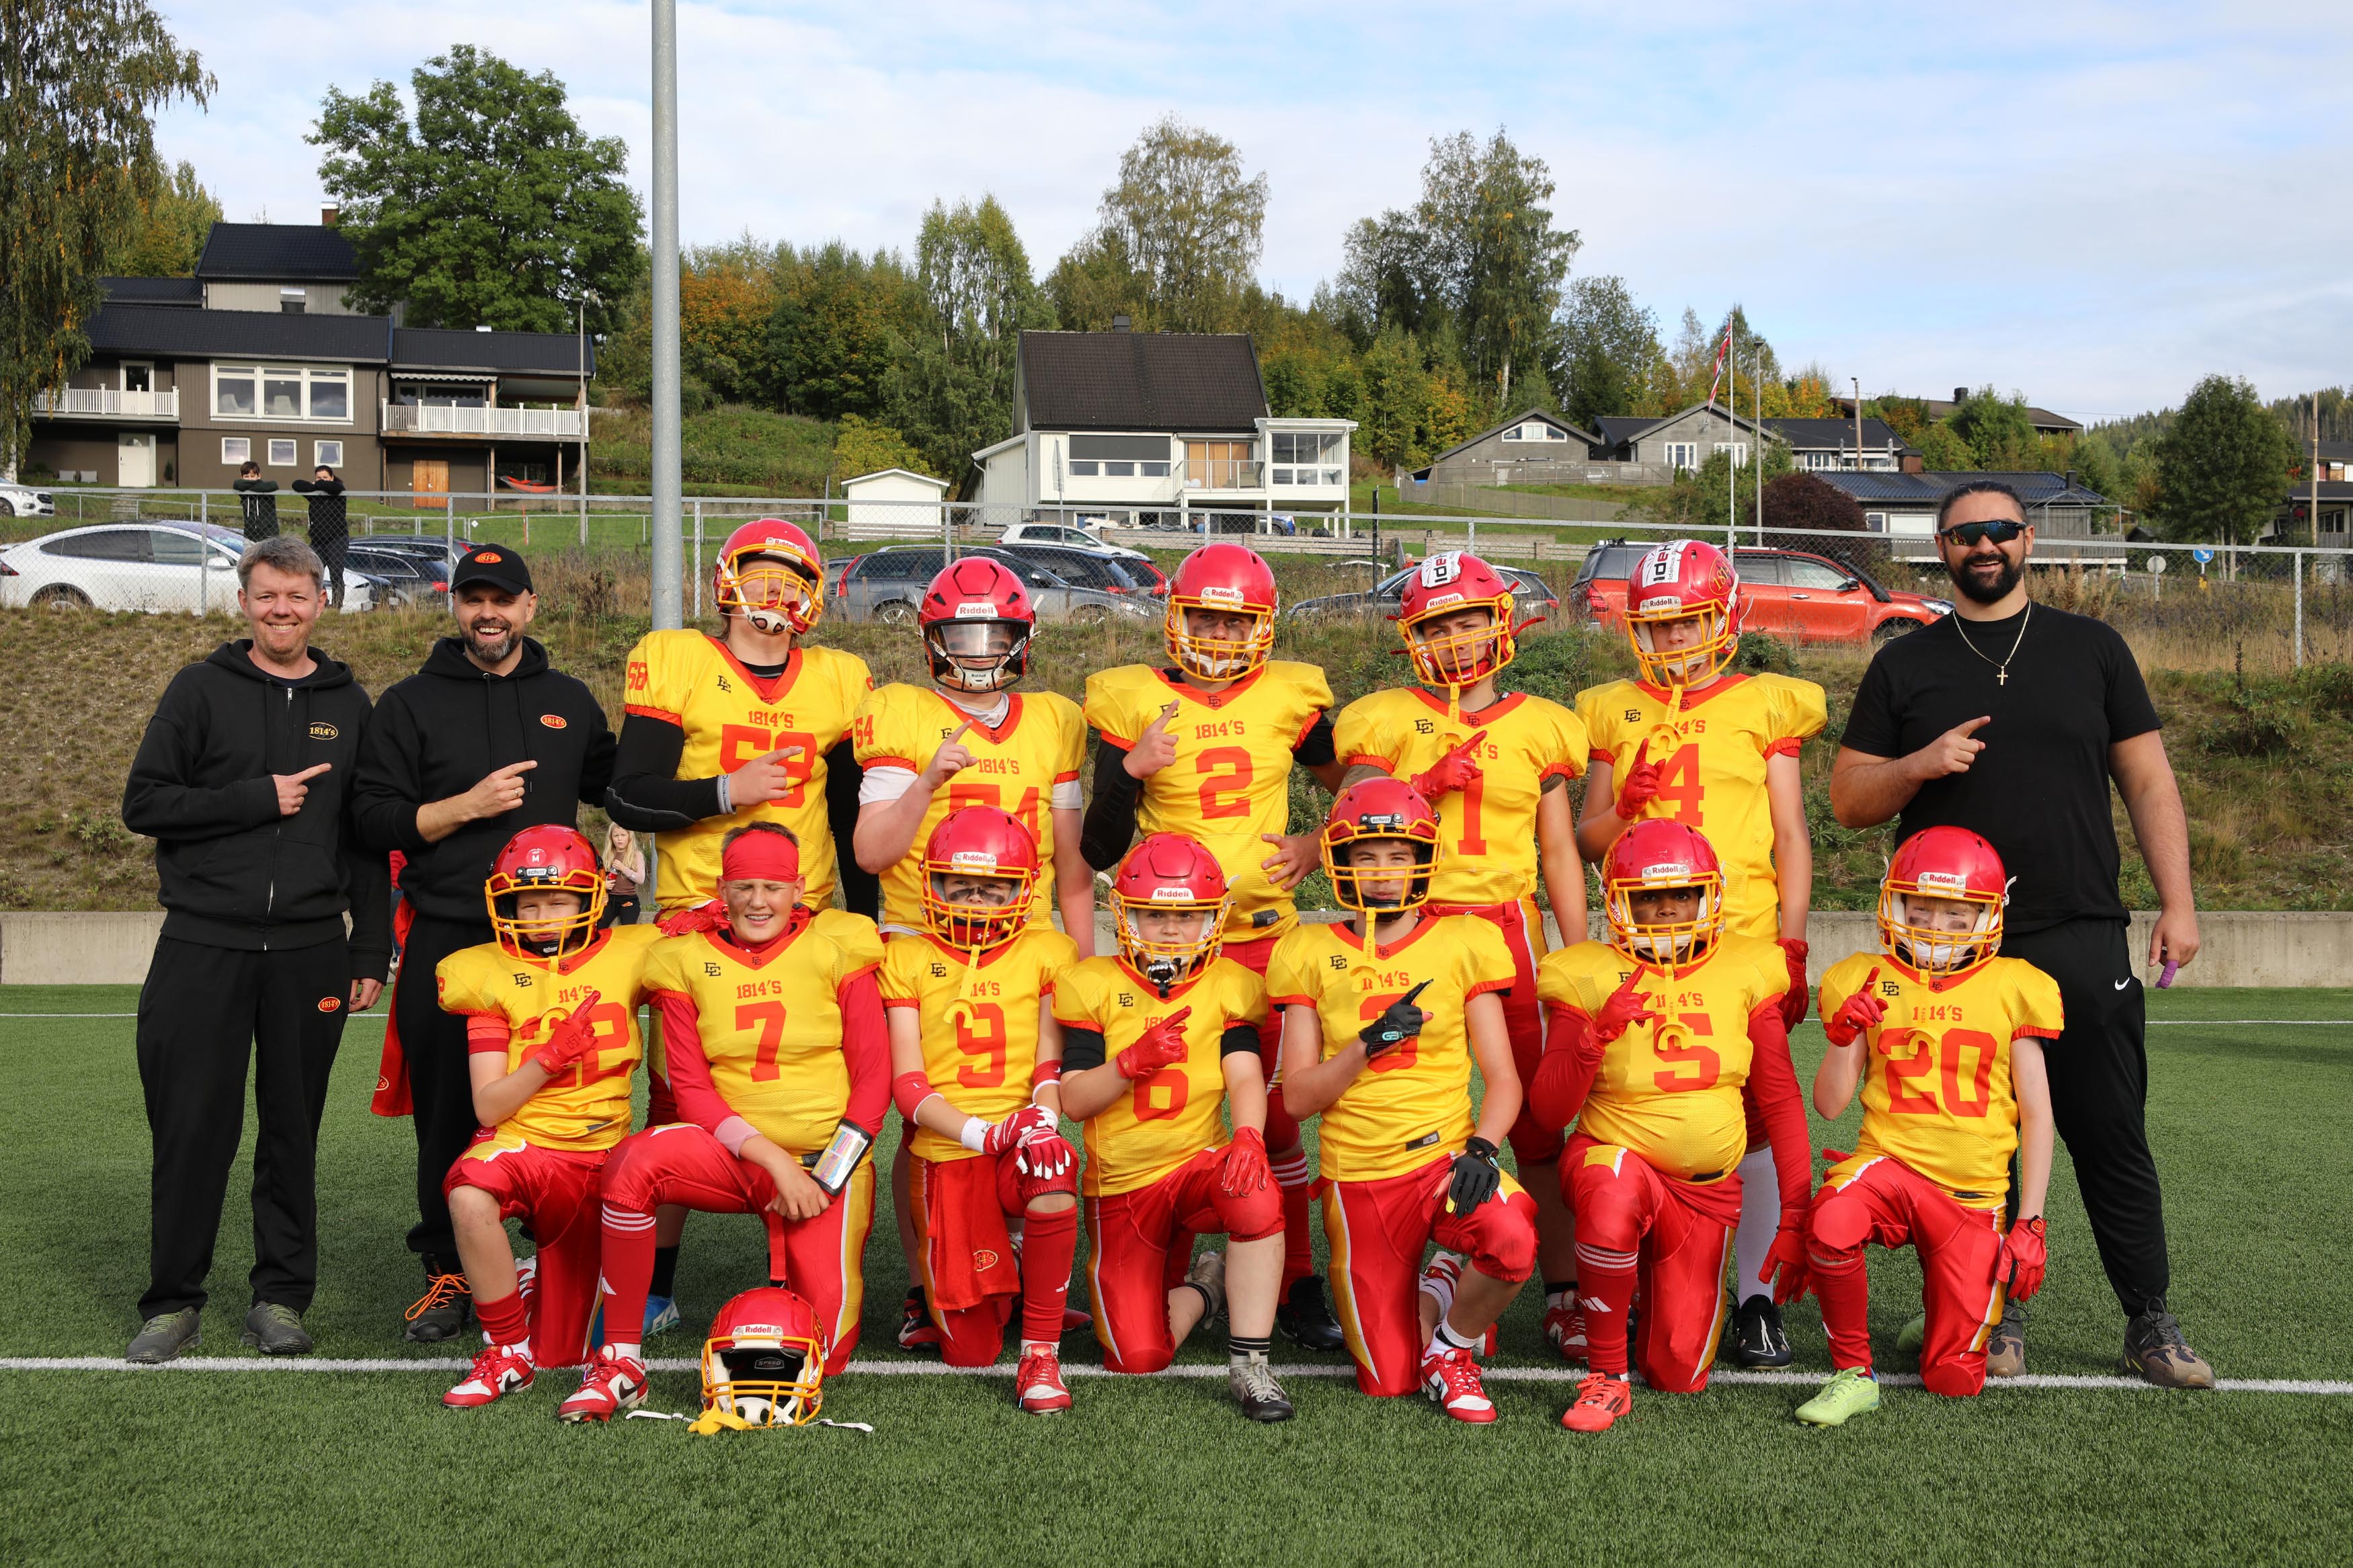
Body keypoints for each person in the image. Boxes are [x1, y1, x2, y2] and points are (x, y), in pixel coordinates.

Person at [1829, 479, 2212, 1387]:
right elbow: (1848, 799)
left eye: (2000, 530)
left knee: (2109, 1131)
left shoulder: (2093, 649)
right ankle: (1991, 1316)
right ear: (1942, 549)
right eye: (1965, 535)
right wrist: (1920, 764)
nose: (1985, 546)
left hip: (2079, 926)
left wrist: (2180, 902)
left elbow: (2150, 783)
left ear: (2029, 539)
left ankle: (2149, 1321)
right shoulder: (1905, 664)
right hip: (1947, 949)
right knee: (1972, 1138)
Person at [118, 535, 391, 1363]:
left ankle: (279, 1297)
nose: (283, 609)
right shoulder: (200, 688)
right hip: (204, 942)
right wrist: (252, 798)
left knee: (291, 1131)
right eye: (267, 594)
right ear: (244, 601)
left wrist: (369, 951)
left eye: (298, 595)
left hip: (311, 950)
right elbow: (145, 802)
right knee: (193, 1125)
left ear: (321, 601)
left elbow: (364, 839)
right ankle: (172, 1302)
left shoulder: (350, 703)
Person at [604, 519, 877, 1337]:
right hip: (700, 914)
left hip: (811, 919)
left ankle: (791, 1270)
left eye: (791, 580)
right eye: (759, 575)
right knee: (674, 1103)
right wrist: (726, 789)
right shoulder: (679, 658)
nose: (774, 594)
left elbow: (849, 808)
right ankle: (654, 1283)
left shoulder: (840, 677)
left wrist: (861, 922)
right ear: (725, 581)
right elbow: (628, 794)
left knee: (808, 1093)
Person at [1080, 541, 1347, 1351]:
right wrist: (1130, 768)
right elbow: (1098, 845)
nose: (1220, 637)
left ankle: (1296, 1279)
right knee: (1157, 1110)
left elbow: (1365, 795)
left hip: (1263, 942)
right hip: (1159, 952)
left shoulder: (1289, 695)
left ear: (1261, 627)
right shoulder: (1130, 700)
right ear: (1175, 616)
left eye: (1235, 622)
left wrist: (1315, 840)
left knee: (1272, 1123)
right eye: (1204, 617)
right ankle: (1170, 1264)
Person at [350, 545, 617, 1342]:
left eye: (503, 598)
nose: (488, 612)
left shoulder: (568, 698)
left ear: (531, 606)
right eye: (474, 598)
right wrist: (459, 807)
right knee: (450, 1112)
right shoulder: (408, 703)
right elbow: (369, 818)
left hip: (559, 946)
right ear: (455, 606)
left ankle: (557, 1264)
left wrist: (636, 835)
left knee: (558, 1106)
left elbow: (618, 785)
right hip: (455, 937)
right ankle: (449, 1270)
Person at [1332, 550, 1589, 1359]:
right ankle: (1417, 1265)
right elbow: (1349, 812)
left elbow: (1557, 855)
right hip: (1409, 926)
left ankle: (1562, 1287)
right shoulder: (1383, 718)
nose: (1453, 638)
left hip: (1507, 926)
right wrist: (1424, 774)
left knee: (1538, 1122)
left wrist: (1579, 959)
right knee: (1404, 1103)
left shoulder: (1541, 722)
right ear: (1413, 635)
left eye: (1466, 619)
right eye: (1436, 624)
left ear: (1500, 621)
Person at [1573, 538, 1823, 1368]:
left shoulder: (1764, 702)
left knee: (1748, 1115)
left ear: (1723, 615)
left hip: (1741, 934)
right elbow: (1587, 836)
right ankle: (1638, 1272)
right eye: (1659, 627)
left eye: (1687, 623)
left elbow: (1790, 834)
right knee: (1642, 1098)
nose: (1675, 640)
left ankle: (1753, 1295)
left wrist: (1789, 939)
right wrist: (1624, 808)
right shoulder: (1610, 705)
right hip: (1644, 938)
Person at [852, 555, 1090, 1350]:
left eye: (994, 630)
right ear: (932, 636)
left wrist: (1085, 976)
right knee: (921, 1128)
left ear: (1021, 636)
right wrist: (926, 780)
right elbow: (872, 851)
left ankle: (1019, 1263)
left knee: (1032, 1099)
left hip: (1021, 940)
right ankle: (926, 1282)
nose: (980, 647)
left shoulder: (1054, 717)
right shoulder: (899, 711)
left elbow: (1070, 861)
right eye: (963, 630)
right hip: (922, 937)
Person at [582, 824, 886, 1422]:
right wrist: (773, 1160)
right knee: (633, 1162)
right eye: (743, 886)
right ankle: (621, 1357)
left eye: (772, 886)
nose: (757, 900)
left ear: (799, 888)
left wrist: (823, 1177)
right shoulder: (685, 958)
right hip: (735, 1158)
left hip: (825, 1160)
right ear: (721, 888)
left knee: (826, 1347)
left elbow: (874, 1082)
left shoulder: (839, 943)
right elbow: (691, 1091)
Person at [1531, 819, 1813, 1434]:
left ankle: (1635, 1293)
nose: (1666, 909)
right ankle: (1605, 1374)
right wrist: (1594, 1036)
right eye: (1648, 897)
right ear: (1618, 904)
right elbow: (1549, 1113)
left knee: (1679, 1369)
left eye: (1682, 894)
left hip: (1707, 1191)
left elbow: (1782, 1100)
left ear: (1708, 896)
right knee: (1610, 1189)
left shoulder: (1746, 967)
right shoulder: (1585, 972)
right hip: (1616, 1158)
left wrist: (1796, 1215)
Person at [1270, 780, 1536, 1423]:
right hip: (1359, 1176)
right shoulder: (1306, 949)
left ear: (1424, 857)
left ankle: (1452, 1348)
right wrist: (1368, 1043)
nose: (1383, 872)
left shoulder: (1464, 941)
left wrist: (1482, 1147)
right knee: (1388, 1381)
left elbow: (1503, 1077)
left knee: (1512, 1239)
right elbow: (1299, 1097)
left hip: (1445, 1158)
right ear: (1339, 859)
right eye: (1367, 855)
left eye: (1397, 854)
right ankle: (1441, 1284)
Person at [1794, 827, 2061, 1426]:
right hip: (1889, 1167)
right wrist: (1841, 1040)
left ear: (1987, 917)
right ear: (1894, 903)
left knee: (1952, 1380)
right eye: (1921, 907)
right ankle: (1852, 1374)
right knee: (1833, 1216)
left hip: (1971, 1196)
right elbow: (1830, 1106)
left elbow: (2039, 1114)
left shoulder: (2012, 985)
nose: (1935, 925)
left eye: (1954, 913)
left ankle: (1946, 1306)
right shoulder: (1867, 977)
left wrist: (2032, 1219)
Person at [1054, 833, 1294, 1421]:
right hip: (1123, 1188)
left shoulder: (1231, 984)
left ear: (1212, 919)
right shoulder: (1091, 983)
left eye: (1185, 917)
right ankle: (1210, 1287)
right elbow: (1075, 1100)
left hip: (1196, 1168)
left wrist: (1250, 1136)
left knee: (1255, 1186)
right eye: (1154, 913)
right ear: (1125, 913)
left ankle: (1251, 1366)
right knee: (1137, 1356)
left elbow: (1244, 1076)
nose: (1168, 929)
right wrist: (1129, 1062)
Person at [434, 826, 660, 1413]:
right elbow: (488, 1106)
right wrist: (548, 1060)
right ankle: (506, 1349)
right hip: (526, 1142)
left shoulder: (636, 951)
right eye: (528, 902)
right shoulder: (483, 971)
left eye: (557, 899)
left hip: (606, 1155)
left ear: (590, 897)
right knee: (468, 1190)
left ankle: (533, 1286)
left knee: (563, 1350)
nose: (541, 915)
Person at [880, 807, 1082, 1412]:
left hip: (1017, 1136)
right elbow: (910, 1089)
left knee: (1053, 1166)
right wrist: (989, 1133)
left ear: (1021, 891)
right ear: (933, 887)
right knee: (969, 1350)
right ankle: (996, 1280)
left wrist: (1039, 1125)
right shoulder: (907, 957)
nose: (976, 901)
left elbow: (1049, 1067)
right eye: (961, 886)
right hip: (952, 1146)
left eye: (993, 889)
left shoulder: (1048, 951)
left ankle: (1039, 1354)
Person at [289, 465, 348, 606]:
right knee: (312, 574)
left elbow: (335, 488)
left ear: (332, 478)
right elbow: (296, 484)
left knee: (336, 574)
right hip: (318, 541)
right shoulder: (315, 495)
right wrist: (316, 487)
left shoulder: (338, 492)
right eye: (319, 478)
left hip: (337, 539)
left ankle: (337, 606)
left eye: (325, 478)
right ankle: (323, 604)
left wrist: (318, 485)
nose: (322, 481)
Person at [233, 460, 279, 541]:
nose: (250, 479)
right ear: (242, 477)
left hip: (269, 537)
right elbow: (237, 484)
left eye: (252, 476)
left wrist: (250, 487)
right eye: (246, 477)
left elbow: (274, 485)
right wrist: (255, 485)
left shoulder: (267, 489)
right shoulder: (243, 492)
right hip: (249, 536)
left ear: (259, 476)